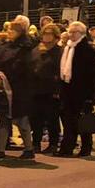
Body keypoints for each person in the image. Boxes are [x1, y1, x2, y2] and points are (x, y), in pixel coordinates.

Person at [0, 16, 36, 160]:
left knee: (21, 120)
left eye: (12, 30)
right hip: (4, 88)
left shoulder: (25, 47)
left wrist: (6, 75)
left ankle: (29, 149)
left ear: (19, 32)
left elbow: (23, 68)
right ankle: (0, 150)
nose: (9, 32)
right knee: (3, 118)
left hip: (19, 89)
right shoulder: (6, 45)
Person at [56, 20, 95, 158]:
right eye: (70, 32)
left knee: (83, 121)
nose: (72, 34)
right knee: (68, 120)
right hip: (67, 89)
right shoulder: (67, 47)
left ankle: (86, 147)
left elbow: (91, 74)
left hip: (82, 91)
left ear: (82, 33)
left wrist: (89, 96)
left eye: (75, 32)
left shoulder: (87, 49)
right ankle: (67, 147)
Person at [29, 22, 62, 154]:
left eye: (49, 34)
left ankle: (53, 143)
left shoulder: (59, 51)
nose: (46, 36)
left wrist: (57, 90)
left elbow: (60, 71)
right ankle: (35, 142)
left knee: (52, 118)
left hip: (50, 90)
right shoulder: (36, 50)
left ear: (55, 36)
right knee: (36, 118)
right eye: (44, 33)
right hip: (36, 90)